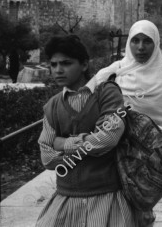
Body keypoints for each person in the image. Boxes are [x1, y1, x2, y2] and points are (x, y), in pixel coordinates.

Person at [36, 35, 136, 226]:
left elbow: (108, 138)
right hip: (66, 198)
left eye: (66, 63)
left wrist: (62, 143)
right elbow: (47, 158)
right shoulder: (53, 105)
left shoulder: (107, 93)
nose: (58, 70)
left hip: (106, 198)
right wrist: (88, 145)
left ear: (83, 65)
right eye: (53, 64)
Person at [88, 20, 162, 178]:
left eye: (147, 41)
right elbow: (85, 100)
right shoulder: (113, 72)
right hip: (109, 157)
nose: (141, 47)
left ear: (155, 43)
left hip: (146, 164)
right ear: (129, 42)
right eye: (135, 40)